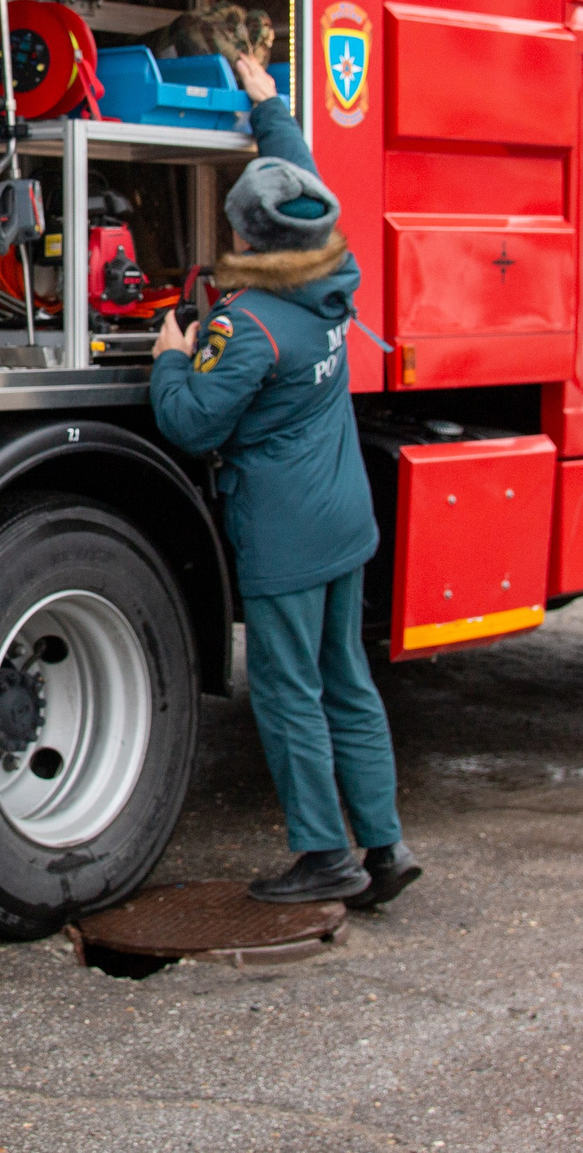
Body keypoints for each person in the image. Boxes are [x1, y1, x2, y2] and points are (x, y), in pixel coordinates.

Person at [149, 53, 420, 910]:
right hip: (343, 520)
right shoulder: (330, 274)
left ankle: (324, 855)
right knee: (347, 679)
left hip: (286, 537)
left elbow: (192, 422)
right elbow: (302, 182)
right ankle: (384, 846)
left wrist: (171, 358)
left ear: (248, 242)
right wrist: (271, 109)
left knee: (288, 689)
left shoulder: (251, 327)